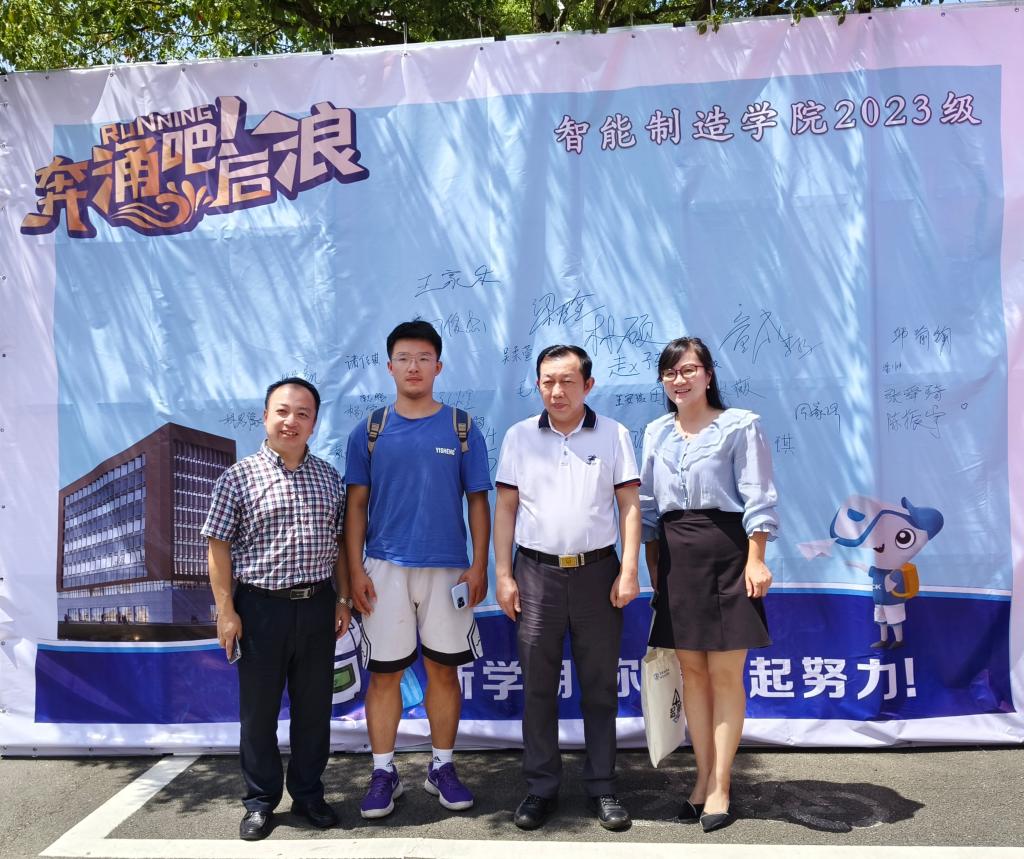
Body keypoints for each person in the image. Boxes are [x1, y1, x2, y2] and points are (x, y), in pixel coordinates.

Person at [344, 320, 492, 820]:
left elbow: (478, 502)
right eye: (404, 358)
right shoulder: (370, 429)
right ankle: (383, 772)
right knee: (384, 676)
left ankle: (442, 766)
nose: (414, 366)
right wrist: (355, 571)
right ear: (390, 367)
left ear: (438, 366)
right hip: (384, 568)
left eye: (424, 358)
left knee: (443, 671)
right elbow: (356, 506)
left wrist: (479, 564)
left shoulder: (462, 427)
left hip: (448, 571)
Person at [494, 344, 642, 832]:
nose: (557, 391)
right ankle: (541, 787)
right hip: (536, 574)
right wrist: (503, 574)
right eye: (548, 381)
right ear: (538, 384)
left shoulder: (614, 434)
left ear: (588, 385)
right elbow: (506, 510)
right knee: (538, 686)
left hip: (599, 573)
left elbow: (629, 507)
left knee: (599, 687)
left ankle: (602, 785)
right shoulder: (519, 436)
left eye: (567, 381)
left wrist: (629, 570)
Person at [639, 336, 778, 833]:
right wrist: (654, 570)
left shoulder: (740, 425)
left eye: (689, 370)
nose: (679, 380)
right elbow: (649, 510)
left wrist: (756, 560)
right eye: (670, 372)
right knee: (692, 674)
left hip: (726, 552)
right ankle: (700, 778)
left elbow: (759, 498)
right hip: (675, 558)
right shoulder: (655, 432)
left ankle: (721, 785)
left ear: (708, 374)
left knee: (723, 675)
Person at [202, 377, 351, 841]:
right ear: (266, 416)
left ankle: (308, 794)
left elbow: (341, 545)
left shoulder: (329, 478)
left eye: (303, 413)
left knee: (314, 710)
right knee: (259, 713)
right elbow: (217, 547)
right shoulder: (238, 477)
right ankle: (260, 801)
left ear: (314, 422)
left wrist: (342, 598)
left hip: (317, 606)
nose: (291, 421)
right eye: (282, 411)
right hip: (260, 610)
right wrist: (226, 611)